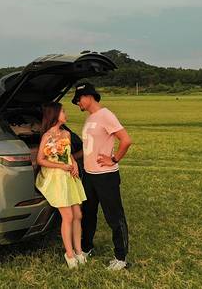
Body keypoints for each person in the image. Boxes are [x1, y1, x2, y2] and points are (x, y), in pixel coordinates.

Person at [72, 82, 133, 270]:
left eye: (79, 99)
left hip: (106, 176)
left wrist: (113, 159)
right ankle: (86, 247)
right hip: (89, 176)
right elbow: (88, 147)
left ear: (89, 96)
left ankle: (121, 258)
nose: (78, 103)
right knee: (88, 214)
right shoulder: (90, 118)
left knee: (114, 216)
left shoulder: (106, 115)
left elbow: (126, 140)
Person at [35, 102, 87, 269]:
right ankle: (69, 254)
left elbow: (68, 154)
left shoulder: (66, 134)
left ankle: (79, 251)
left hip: (69, 175)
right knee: (68, 216)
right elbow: (40, 160)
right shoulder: (47, 136)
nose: (66, 113)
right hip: (55, 177)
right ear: (55, 115)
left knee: (78, 214)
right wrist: (60, 166)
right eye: (63, 111)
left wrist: (74, 163)